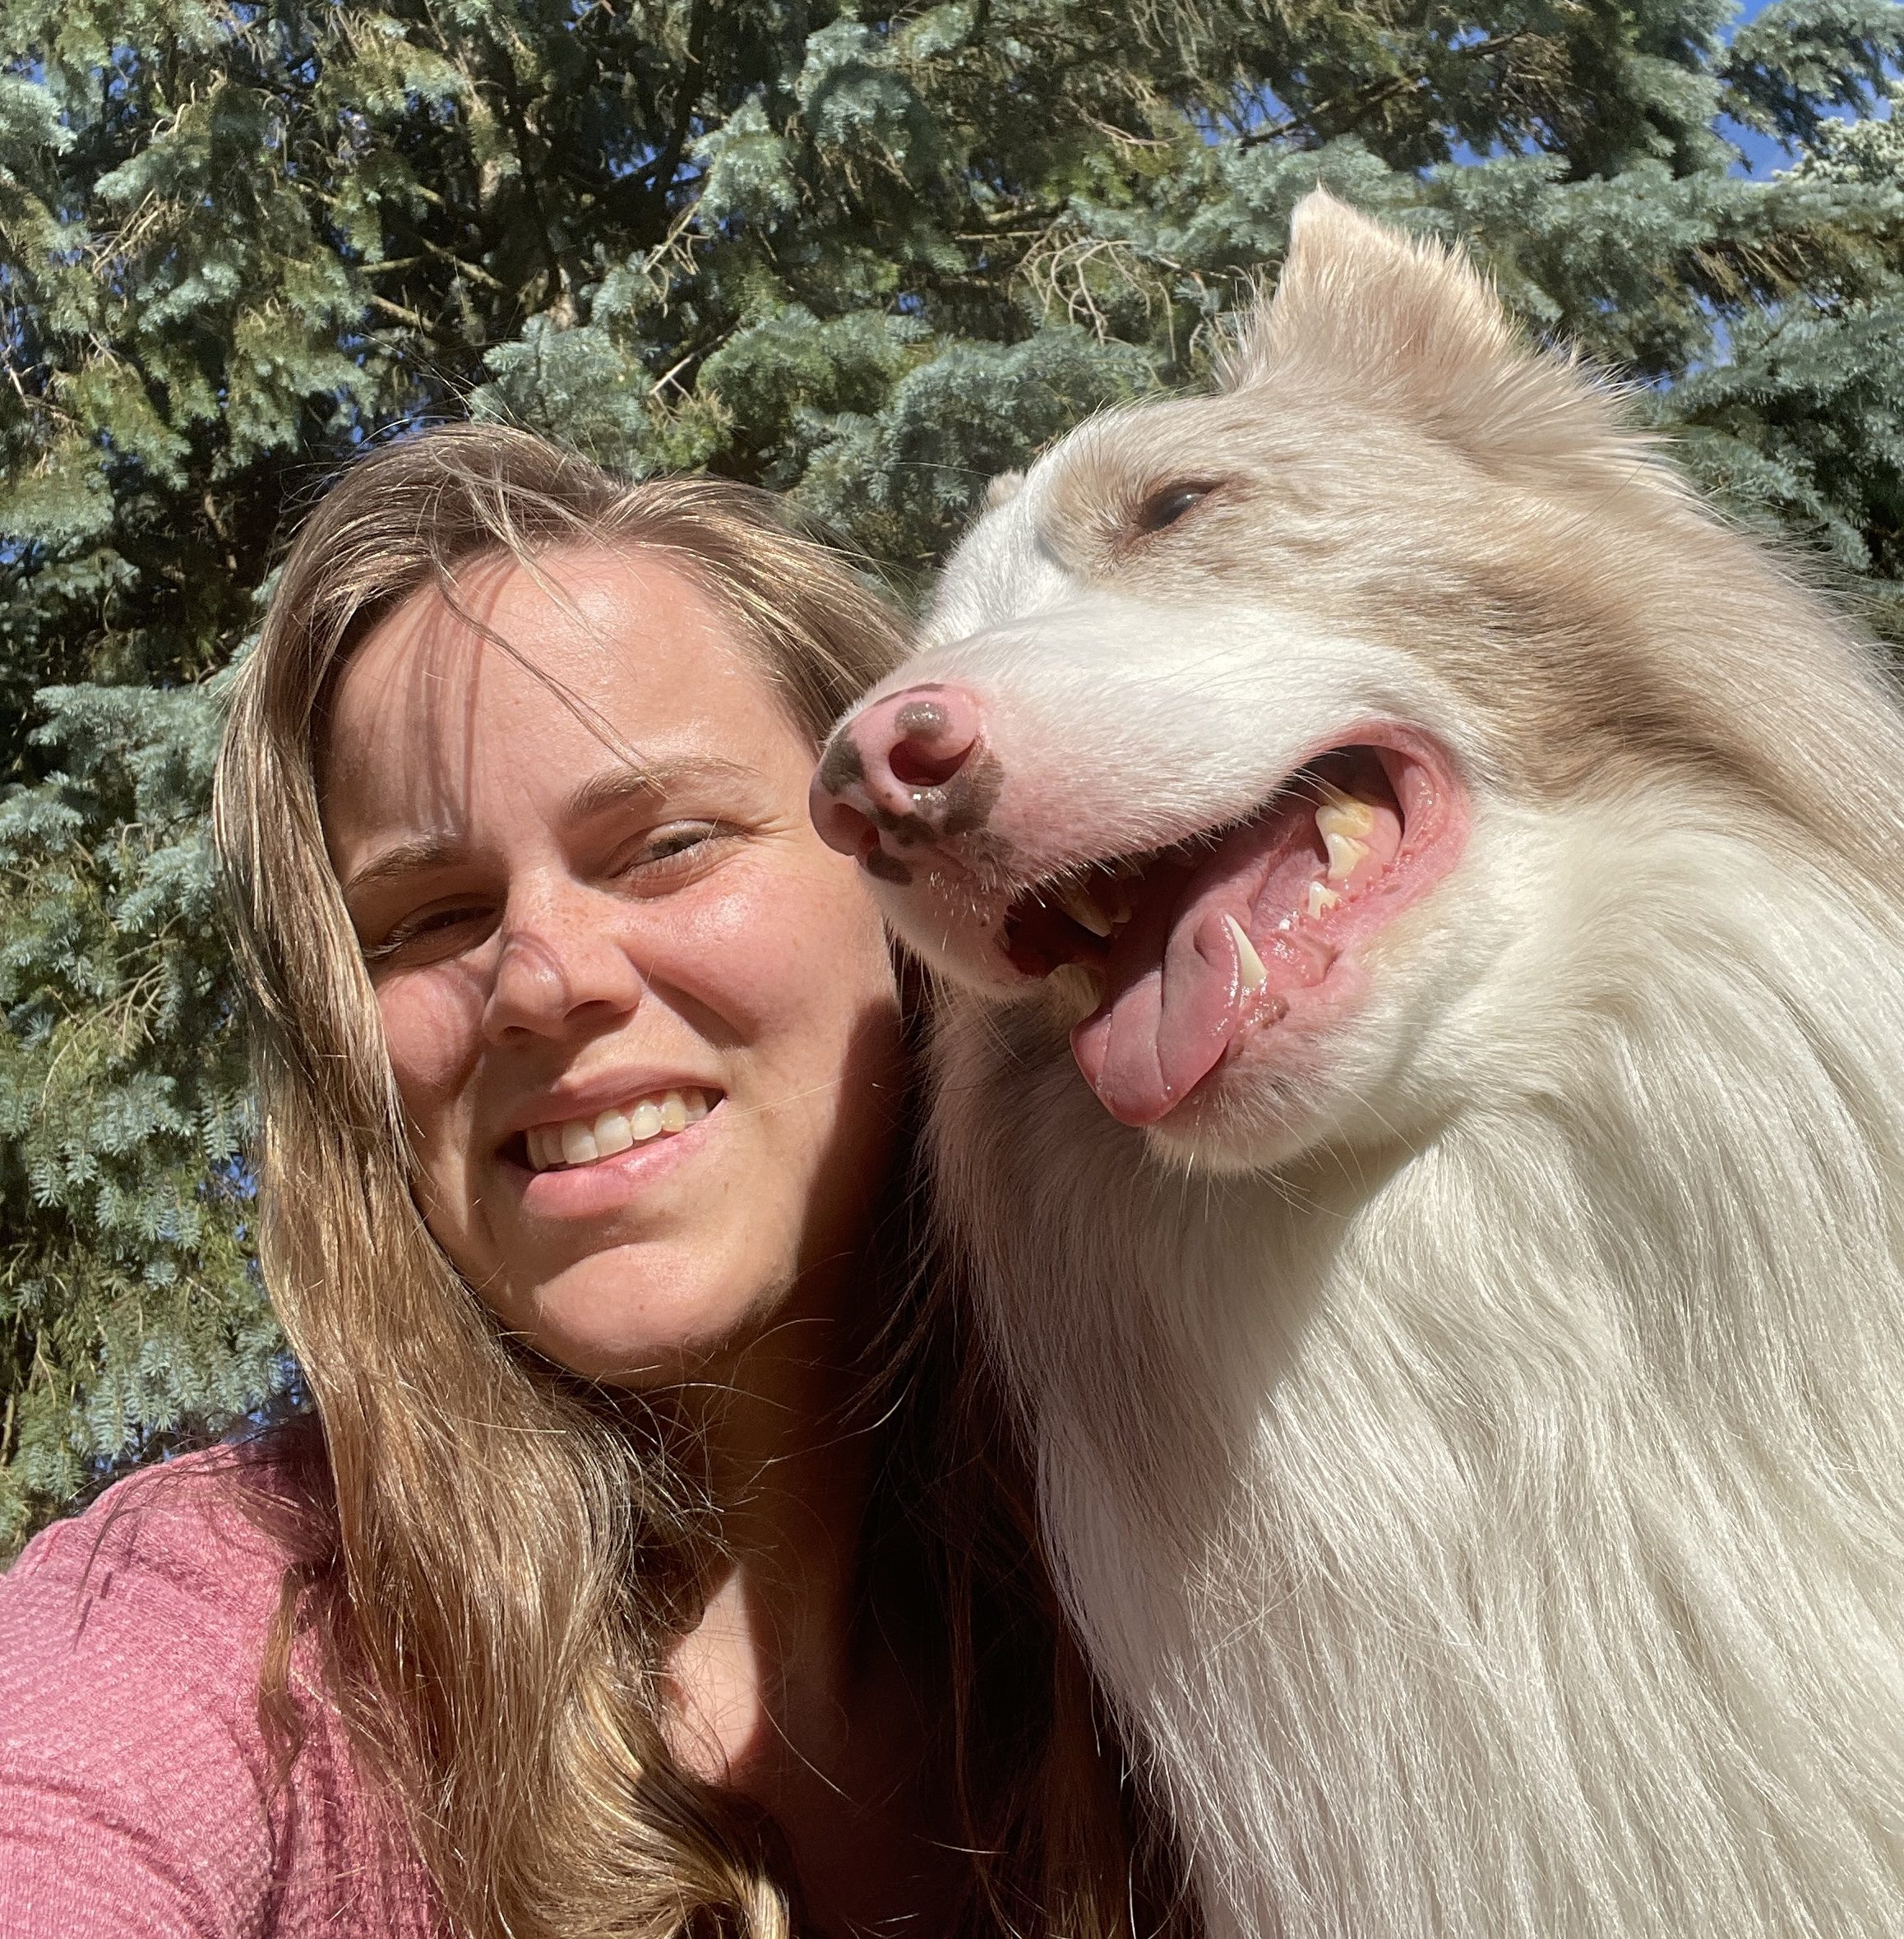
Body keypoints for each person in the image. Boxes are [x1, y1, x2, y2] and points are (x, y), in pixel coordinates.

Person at [0, 427, 1178, 1937]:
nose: (540, 981)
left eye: (668, 845)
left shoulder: (1178, 1571)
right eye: (428, 919)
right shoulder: (230, 1650)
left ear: (908, 895)